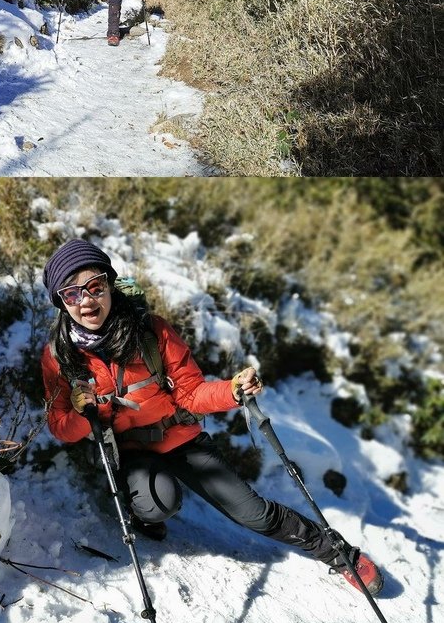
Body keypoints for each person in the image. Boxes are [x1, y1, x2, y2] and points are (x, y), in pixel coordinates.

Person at [40, 238, 384, 596]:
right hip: (129, 452)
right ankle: (146, 516)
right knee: (159, 502)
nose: (87, 301)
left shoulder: (151, 331)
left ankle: (339, 554)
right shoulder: (59, 357)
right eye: (72, 294)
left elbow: (190, 392)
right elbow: (60, 427)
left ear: (109, 284)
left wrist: (232, 391)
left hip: (180, 438)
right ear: (61, 302)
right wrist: (84, 413)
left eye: (95, 286)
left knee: (256, 514)